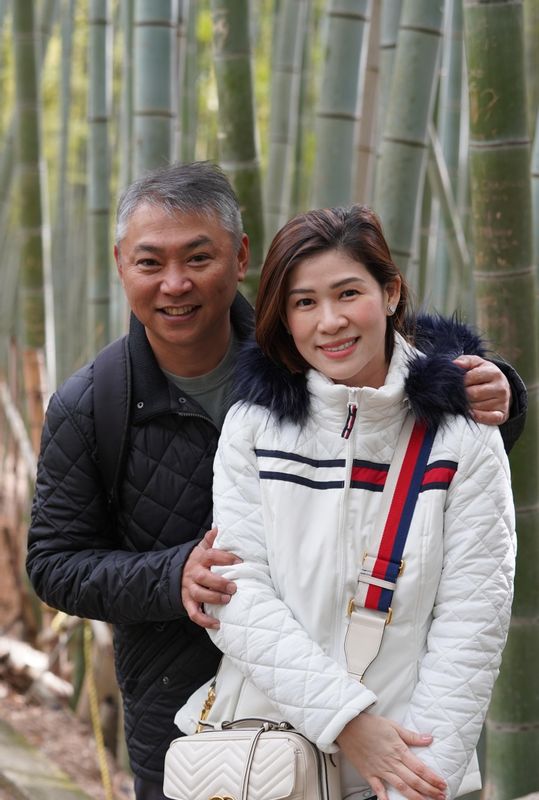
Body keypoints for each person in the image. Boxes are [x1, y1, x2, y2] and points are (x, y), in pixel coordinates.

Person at [26, 162, 522, 800]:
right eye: (150, 262)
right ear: (120, 263)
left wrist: (496, 386)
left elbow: (415, 393)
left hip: (393, 724)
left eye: (197, 257)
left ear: (239, 258)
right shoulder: (97, 405)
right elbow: (53, 563)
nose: (175, 283)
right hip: (204, 720)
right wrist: (173, 576)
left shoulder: (307, 350)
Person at [176, 205, 516, 800]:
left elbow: (473, 621)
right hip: (265, 754)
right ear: (283, 316)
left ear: (390, 293)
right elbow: (238, 593)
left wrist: (416, 781)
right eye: (304, 302)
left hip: (409, 759)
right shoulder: (255, 427)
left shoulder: (462, 433)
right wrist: (347, 723)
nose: (329, 321)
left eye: (347, 293)